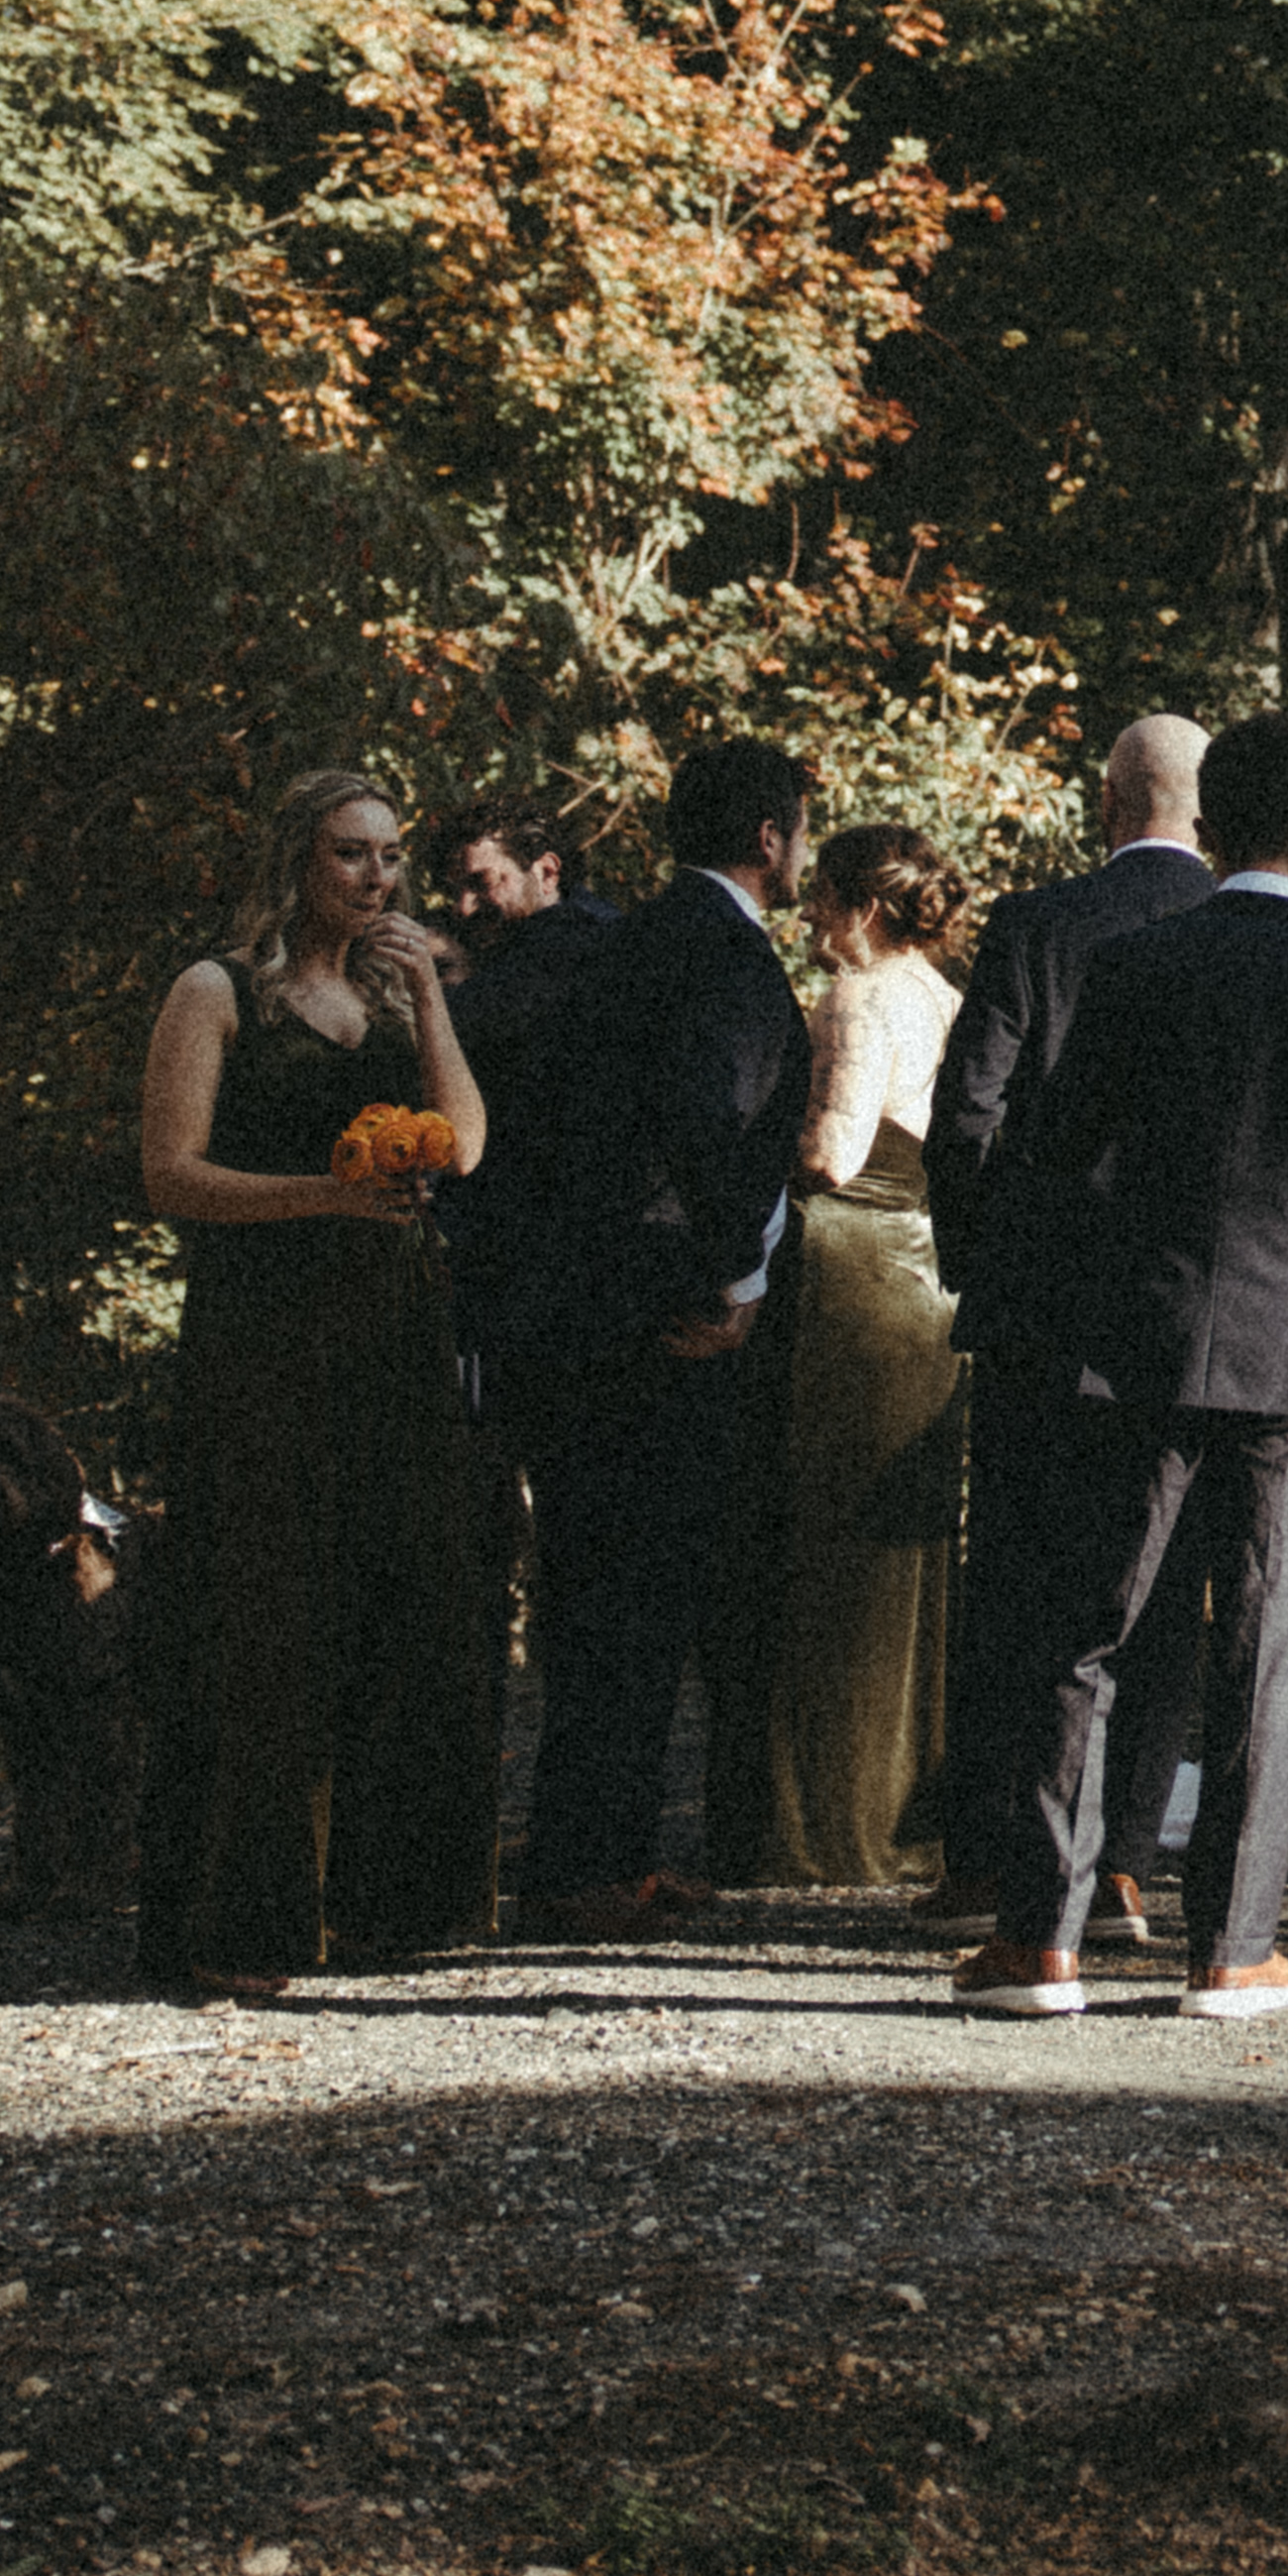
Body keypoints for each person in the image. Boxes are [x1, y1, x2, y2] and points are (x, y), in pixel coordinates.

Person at [965, 717, 1288, 2025]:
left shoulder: (1137, 966)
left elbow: (1053, 1150)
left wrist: (1086, 1295)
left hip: (1132, 1336)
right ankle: (1230, 1952)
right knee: (1263, 1647)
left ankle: (1042, 1941)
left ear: (1211, 825)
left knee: (1088, 1637)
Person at [128, 768, 499, 1998]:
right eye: (351, 854)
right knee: (263, 1614)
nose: (376, 878)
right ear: (297, 859)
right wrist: (321, 1197)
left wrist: (432, 1002)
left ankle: (390, 1907)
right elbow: (172, 1176)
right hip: (263, 1331)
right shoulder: (217, 991)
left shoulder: (398, 994)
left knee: (403, 1595)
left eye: (391, 857)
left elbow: (467, 1142)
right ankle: (236, 1920)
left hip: (393, 1324)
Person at [504, 736, 817, 1939]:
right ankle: (590, 1865)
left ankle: (591, 1850)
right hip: (657, 1324)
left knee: (594, 1598)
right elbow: (718, 1134)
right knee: (638, 1596)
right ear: (768, 838)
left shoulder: (615, 942)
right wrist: (729, 1284)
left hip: (573, 1310)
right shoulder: (726, 962)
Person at [931, 718, 1211, 1940]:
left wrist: (987, 1271)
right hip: (1189, 1313)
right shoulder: (1243, 934)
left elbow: (966, 1118)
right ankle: (1126, 1864)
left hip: (1044, 1307)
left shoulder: (1035, 927)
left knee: (1018, 1584)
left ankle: (1001, 1856)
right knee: (1164, 1590)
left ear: (1107, 802)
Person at [724, 827, 974, 1893]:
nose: (811, 920)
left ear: (863, 907)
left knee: (824, 1541)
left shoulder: (857, 999)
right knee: (904, 1547)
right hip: (928, 1270)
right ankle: (901, 1816)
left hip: (851, 1270)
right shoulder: (945, 995)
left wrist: (736, 1142)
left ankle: (824, 1827)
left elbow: (831, 1150)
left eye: (823, 902)